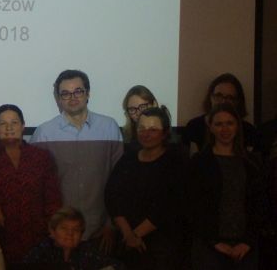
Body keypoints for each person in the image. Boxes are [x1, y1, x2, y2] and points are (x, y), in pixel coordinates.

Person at [31, 69, 123, 252]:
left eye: (78, 91)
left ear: (88, 93)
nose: (72, 98)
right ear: (58, 98)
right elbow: (37, 186)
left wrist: (111, 224)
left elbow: (119, 181)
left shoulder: (109, 127)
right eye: (65, 93)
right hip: (60, 231)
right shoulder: (44, 133)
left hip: (101, 230)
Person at [0, 104, 61, 264]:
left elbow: (53, 198)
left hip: (38, 237)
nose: (9, 128)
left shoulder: (41, 157)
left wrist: (54, 230)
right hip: (0, 237)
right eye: (3, 123)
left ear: (23, 126)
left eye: (14, 122)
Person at [105, 107, 187, 270]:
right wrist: (128, 234)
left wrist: (136, 235)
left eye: (153, 129)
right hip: (126, 241)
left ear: (165, 133)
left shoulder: (175, 162)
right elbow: (112, 195)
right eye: (141, 128)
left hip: (163, 245)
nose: (146, 134)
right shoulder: (128, 158)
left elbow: (171, 205)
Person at [188, 102, 266, 269]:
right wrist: (214, 242)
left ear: (237, 126)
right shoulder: (199, 162)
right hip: (209, 247)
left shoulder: (251, 163)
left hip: (246, 247)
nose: (225, 129)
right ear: (211, 128)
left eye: (229, 123)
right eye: (219, 124)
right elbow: (194, 204)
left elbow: (259, 204)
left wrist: (248, 242)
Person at [24, 206, 125, 270]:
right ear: (53, 232)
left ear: (81, 234)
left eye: (76, 230)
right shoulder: (42, 251)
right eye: (64, 228)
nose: (70, 233)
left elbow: (118, 266)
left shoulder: (87, 250)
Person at [183, 73, 258, 153]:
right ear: (210, 97)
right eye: (219, 96)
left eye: (229, 97)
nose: (223, 101)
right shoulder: (194, 126)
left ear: (237, 102)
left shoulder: (248, 131)